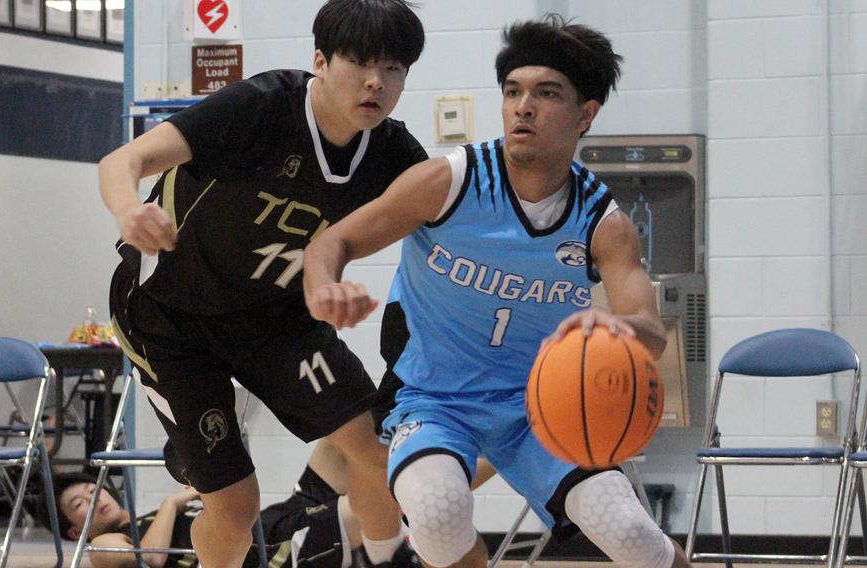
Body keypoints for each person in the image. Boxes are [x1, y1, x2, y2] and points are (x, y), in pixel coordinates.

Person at [302, 14, 691, 568]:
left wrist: (618, 328)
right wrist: (324, 287)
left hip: (541, 404)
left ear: (586, 114)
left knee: (629, 532)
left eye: (546, 93)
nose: (523, 107)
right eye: (513, 92)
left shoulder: (604, 222)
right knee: (437, 515)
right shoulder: (450, 181)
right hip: (432, 398)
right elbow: (331, 242)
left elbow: (650, 331)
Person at [98, 1, 427, 566]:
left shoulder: (396, 155)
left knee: (374, 452)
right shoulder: (261, 108)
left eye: (395, 69)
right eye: (361, 63)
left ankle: (382, 558)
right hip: (170, 317)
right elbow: (122, 160)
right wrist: (129, 208)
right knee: (234, 505)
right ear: (320, 61)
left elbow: (450, 225)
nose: (377, 82)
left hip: (275, 320)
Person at [46, 444, 360, 568]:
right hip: (268, 553)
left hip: (264, 525)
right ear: (75, 531)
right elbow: (152, 558)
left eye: (92, 490)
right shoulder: (100, 544)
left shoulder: (149, 518)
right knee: (362, 508)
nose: (93, 499)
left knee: (347, 435)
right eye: (79, 504)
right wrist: (172, 502)